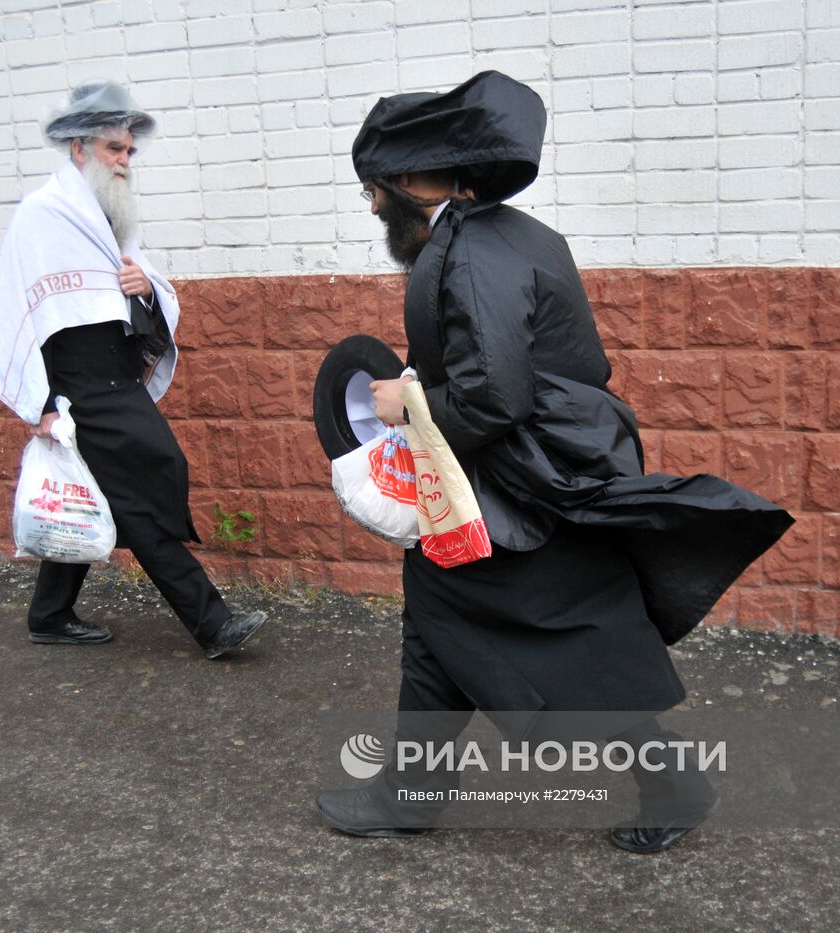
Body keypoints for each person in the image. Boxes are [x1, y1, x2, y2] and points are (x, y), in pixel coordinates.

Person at [315, 72, 792, 852]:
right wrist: (426, 382)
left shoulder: (461, 256)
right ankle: (415, 792)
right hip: (546, 466)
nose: (370, 207)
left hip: (519, 478)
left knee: (541, 627)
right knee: (468, 614)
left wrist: (410, 404)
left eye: (372, 190)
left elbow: (494, 395)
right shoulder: (524, 235)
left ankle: (665, 780)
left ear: (406, 180)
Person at [0, 80, 266, 660]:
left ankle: (50, 615)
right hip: (77, 384)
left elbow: (143, 293)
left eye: (130, 151)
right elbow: (20, 310)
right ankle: (211, 625)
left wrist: (145, 289)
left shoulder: (113, 217)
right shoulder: (42, 214)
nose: (125, 161)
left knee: (104, 494)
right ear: (80, 147)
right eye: (115, 149)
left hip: (116, 373)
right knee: (141, 491)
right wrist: (40, 405)